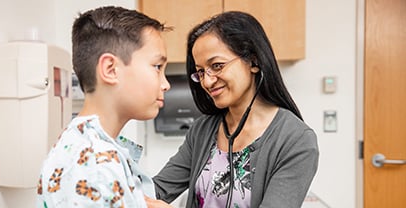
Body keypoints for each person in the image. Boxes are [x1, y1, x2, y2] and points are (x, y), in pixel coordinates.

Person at [151, 11, 319, 208]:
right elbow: (157, 190)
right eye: (201, 71)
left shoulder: (296, 140)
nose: (207, 80)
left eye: (217, 65)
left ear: (254, 62)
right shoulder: (202, 130)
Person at [36, 6, 171, 207]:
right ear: (110, 69)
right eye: (157, 67)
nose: (165, 84)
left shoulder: (85, 146)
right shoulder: (97, 165)